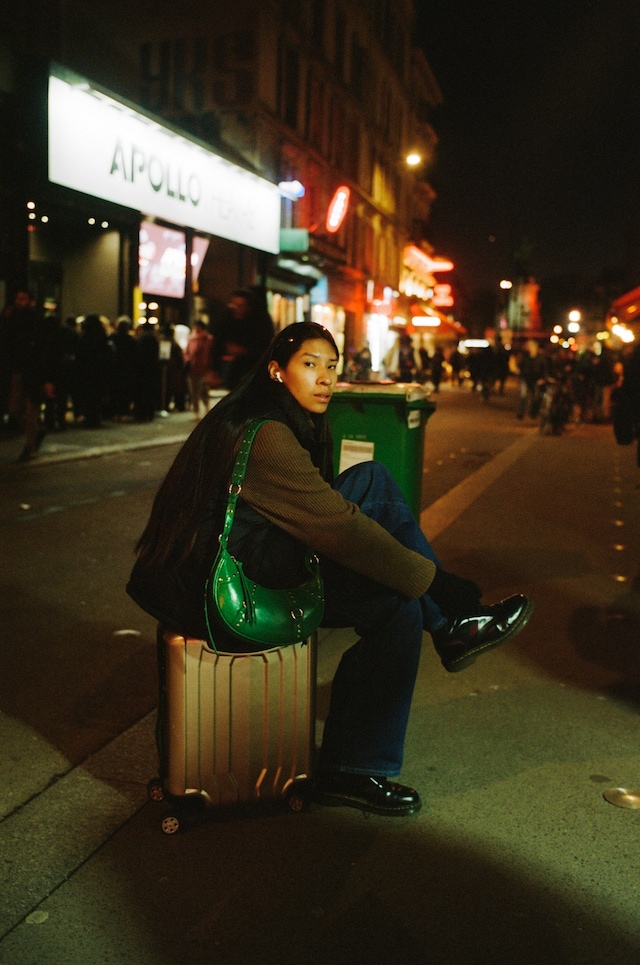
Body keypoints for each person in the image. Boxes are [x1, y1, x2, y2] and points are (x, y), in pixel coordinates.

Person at [127, 322, 533, 817]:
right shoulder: (267, 436)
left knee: (395, 592)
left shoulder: (272, 417)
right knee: (375, 496)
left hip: (247, 559)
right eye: (309, 364)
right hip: (226, 585)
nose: (324, 379)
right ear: (276, 371)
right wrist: (443, 585)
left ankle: (354, 771)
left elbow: (327, 520)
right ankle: (449, 626)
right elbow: (338, 528)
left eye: (332, 367)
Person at [210, 288, 275, 389]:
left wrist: (244, 351)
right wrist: (214, 371)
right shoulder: (226, 321)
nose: (237, 308)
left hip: (253, 372)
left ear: (249, 307)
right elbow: (216, 345)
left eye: (241, 305)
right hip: (231, 373)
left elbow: (264, 348)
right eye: (234, 305)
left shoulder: (259, 323)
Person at [183, 319, 214, 418]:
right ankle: (196, 411)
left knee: (204, 389)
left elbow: (211, 352)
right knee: (194, 391)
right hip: (193, 368)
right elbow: (187, 352)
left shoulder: (208, 339)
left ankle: (206, 406)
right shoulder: (191, 338)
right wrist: (187, 359)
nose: (196, 329)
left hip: (205, 368)